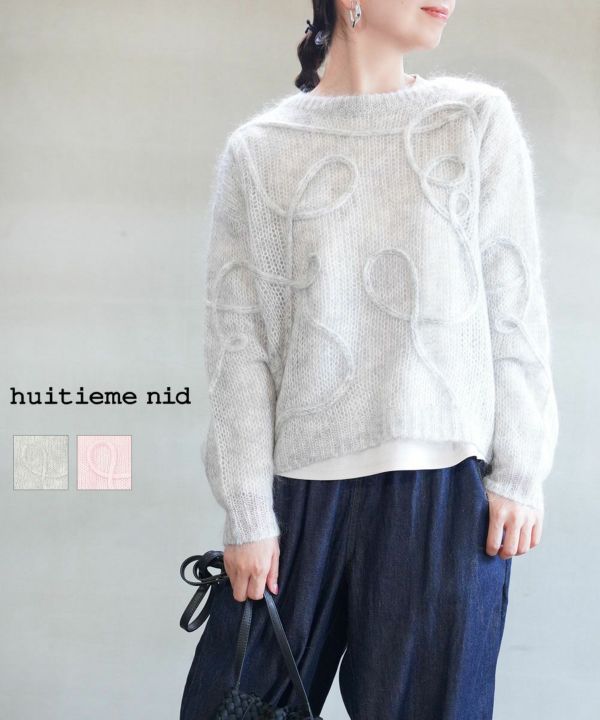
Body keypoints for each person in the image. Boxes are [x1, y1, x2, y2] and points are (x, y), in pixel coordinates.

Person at [180, 1, 559, 718]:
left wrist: (519, 471)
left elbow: (513, 302)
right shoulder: (259, 151)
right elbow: (238, 347)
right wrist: (248, 512)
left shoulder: (472, 120)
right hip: (298, 500)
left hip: (443, 498)